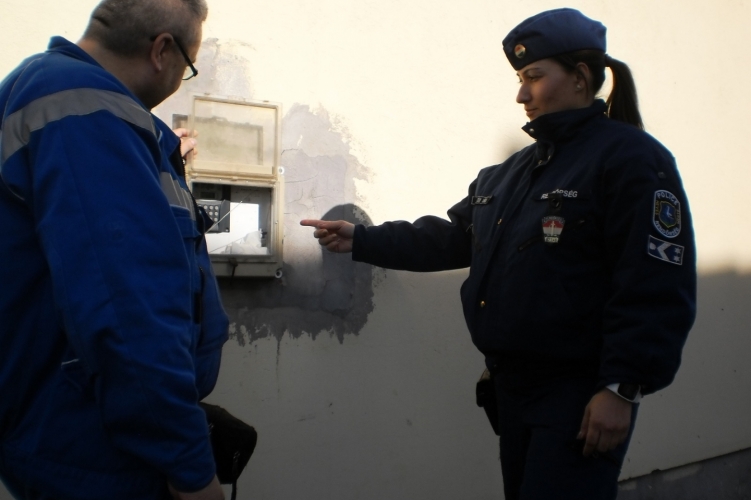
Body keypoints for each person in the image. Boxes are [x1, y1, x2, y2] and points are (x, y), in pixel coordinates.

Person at [301, 8, 696, 500]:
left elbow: (654, 282)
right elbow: (455, 238)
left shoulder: (631, 159)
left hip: (577, 395)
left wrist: (622, 389)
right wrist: (363, 239)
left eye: (534, 76)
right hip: (513, 391)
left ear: (580, 77)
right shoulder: (511, 172)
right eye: (519, 79)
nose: (521, 94)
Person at [0, 1, 229, 499]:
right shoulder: (88, 114)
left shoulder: (58, 97)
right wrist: (191, 469)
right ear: (162, 51)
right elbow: (129, 314)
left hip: (76, 430)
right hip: (94, 454)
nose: (181, 79)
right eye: (188, 67)